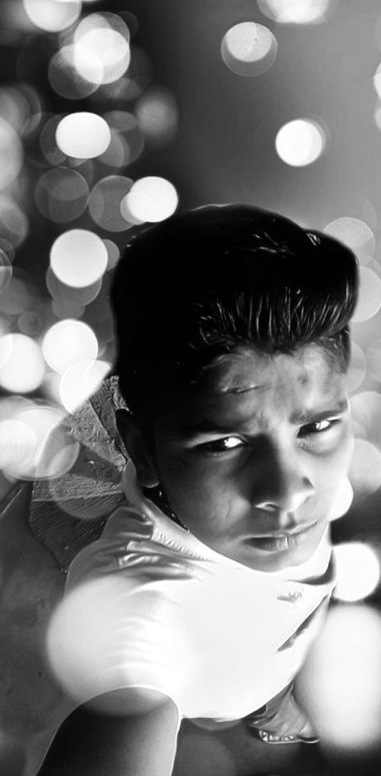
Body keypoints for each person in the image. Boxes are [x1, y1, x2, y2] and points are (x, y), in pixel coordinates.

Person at [38, 204, 359, 776]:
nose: (289, 492)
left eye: (315, 427)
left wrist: (274, 691)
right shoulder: (140, 618)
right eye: (226, 444)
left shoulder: (281, 480)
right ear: (140, 451)